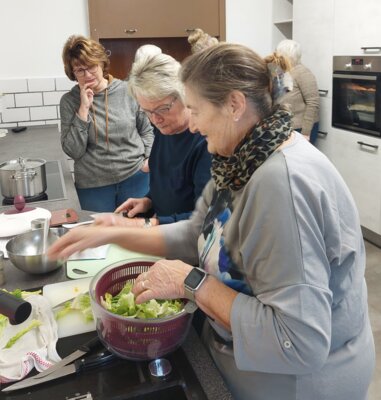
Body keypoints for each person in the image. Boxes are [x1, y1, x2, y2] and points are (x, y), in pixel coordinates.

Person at [48, 43, 375, 400]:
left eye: (195, 109)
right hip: (242, 363)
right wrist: (117, 233)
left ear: (234, 105)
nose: (191, 122)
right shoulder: (243, 157)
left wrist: (190, 282)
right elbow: (200, 233)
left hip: (294, 385)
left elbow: (296, 341)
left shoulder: (282, 184)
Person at [96, 52, 211, 227]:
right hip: (166, 234)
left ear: (184, 95)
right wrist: (148, 201)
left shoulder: (206, 142)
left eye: (163, 109)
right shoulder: (164, 130)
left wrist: (148, 224)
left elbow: (204, 219)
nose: (155, 119)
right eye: (147, 111)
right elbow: (170, 185)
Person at [60, 35, 154, 212]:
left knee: (135, 236)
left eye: (92, 67)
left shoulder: (128, 90)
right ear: (72, 73)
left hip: (136, 177)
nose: (88, 75)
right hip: (93, 187)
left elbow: (146, 130)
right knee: (99, 237)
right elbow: (74, 151)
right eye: (80, 70)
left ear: (101, 64)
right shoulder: (69, 101)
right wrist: (83, 109)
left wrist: (149, 159)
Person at [276, 39, 320, 144]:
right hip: (284, 126)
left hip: (300, 128)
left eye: (278, 54)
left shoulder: (303, 73)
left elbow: (313, 102)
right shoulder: (282, 71)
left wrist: (306, 132)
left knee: (300, 160)